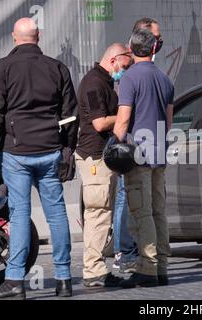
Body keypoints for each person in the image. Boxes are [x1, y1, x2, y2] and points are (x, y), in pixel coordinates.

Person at [0, 18, 78, 299]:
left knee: (19, 215)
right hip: (50, 151)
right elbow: (71, 115)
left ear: (14, 37)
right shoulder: (57, 68)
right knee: (57, 214)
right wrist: (66, 150)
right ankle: (63, 279)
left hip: (17, 153)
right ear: (39, 36)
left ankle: (14, 282)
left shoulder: (2, 68)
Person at [113, 28, 174, 288]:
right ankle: (161, 267)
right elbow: (168, 123)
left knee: (142, 214)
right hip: (160, 154)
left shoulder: (129, 79)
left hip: (138, 155)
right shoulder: (165, 79)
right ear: (153, 49)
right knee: (159, 212)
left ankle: (147, 268)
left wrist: (116, 140)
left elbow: (123, 120)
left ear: (131, 48)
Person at [76, 43, 133, 287]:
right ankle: (94, 271)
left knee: (103, 213)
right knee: (98, 214)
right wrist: (124, 116)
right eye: (124, 67)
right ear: (113, 60)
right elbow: (99, 123)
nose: (125, 73)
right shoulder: (93, 83)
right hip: (94, 157)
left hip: (102, 157)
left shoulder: (105, 81)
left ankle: (96, 269)